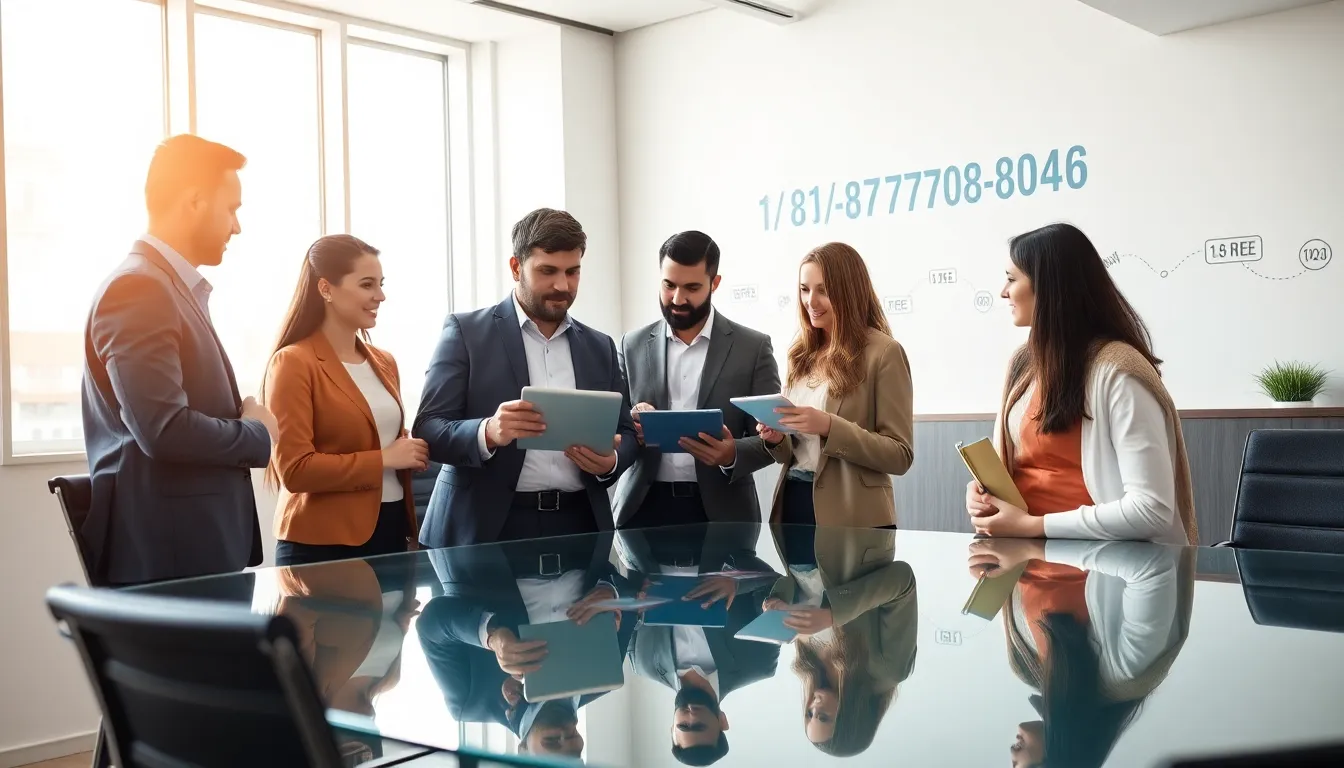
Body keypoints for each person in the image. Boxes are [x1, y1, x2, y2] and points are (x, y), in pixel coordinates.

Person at [81, 134, 277, 586]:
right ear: (193, 201)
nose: (236, 226)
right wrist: (258, 432)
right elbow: (163, 430)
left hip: (191, 549)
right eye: (232, 209)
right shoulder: (139, 289)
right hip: (173, 556)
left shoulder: (166, 287)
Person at [414, 208, 638, 547]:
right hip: (485, 528)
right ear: (516, 267)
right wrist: (487, 431)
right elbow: (429, 427)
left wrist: (611, 463)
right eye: (547, 271)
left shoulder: (600, 346)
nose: (562, 285)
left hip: (580, 526)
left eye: (572, 272)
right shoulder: (465, 332)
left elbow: (626, 433)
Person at [965, 223, 1198, 545]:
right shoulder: (1024, 363)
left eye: (1011, 279)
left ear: (1049, 287)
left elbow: (1151, 511)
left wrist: (1034, 525)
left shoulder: (1118, 372)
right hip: (1026, 561)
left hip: (1105, 572)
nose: (1003, 292)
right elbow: (1020, 468)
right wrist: (985, 495)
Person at [263, 234, 427, 566]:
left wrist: (408, 451)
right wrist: (384, 458)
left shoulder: (385, 362)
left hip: (392, 528)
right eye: (367, 284)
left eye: (380, 284)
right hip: (323, 543)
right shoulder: (293, 362)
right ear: (325, 289)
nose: (380, 296)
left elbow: (376, 435)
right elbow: (295, 470)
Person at [965, 537, 1194, 767]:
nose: (1012, 761)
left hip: (1031, 513)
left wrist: (991, 558)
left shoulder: (1025, 664)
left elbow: (1017, 567)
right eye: (1017, 767)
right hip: (1100, 508)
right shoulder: (1126, 671)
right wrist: (1030, 549)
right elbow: (1151, 566)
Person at [613, 231, 782, 529]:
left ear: (714, 283)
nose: (678, 299)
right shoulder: (632, 344)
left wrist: (733, 454)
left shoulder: (752, 348)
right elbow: (614, 425)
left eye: (692, 287)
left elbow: (776, 439)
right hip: (640, 510)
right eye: (669, 285)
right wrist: (631, 422)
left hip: (724, 512)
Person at [757, 242, 915, 528]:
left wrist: (830, 426)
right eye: (805, 289)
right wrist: (777, 438)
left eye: (823, 290)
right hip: (794, 505)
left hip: (853, 516)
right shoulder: (800, 354)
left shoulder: (884, 353)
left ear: (848, 291)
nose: (811, 301)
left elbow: (900, 455)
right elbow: (793, 454)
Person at [617, 525, 782, 766]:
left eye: (684, 725)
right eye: (700, 725)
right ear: (722, 721)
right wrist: (735, 583)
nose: (691, 715)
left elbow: (620, 591)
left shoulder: (640, 663)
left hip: (644, 529)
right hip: (716, 525)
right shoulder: (758, 663)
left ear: (671, 726)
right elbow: (773, 583)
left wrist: (633, 598)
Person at [764, 525, 918, 757]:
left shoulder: (809, 666)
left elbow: (794, 582)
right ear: (852, 718)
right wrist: (834, 613)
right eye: (823, 716)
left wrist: (777, 601)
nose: (814, 707)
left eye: (809, 714)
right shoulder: (889, 670)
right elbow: (902, 581)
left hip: (795, 541)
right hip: (847, 533)